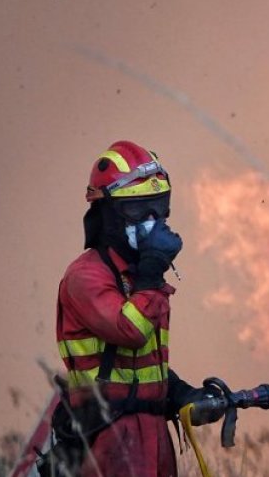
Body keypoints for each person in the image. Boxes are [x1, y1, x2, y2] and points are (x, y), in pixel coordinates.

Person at [52, 140, 210, 476]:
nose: (152, 221)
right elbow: (132, 332)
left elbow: (137, 369)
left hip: (152, 441)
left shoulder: (139, 279)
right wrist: (153, 269)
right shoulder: (86, 277)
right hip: (108, 443)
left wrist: (181, 393)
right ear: (108, 213)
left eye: (158, 207)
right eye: (139, 210)